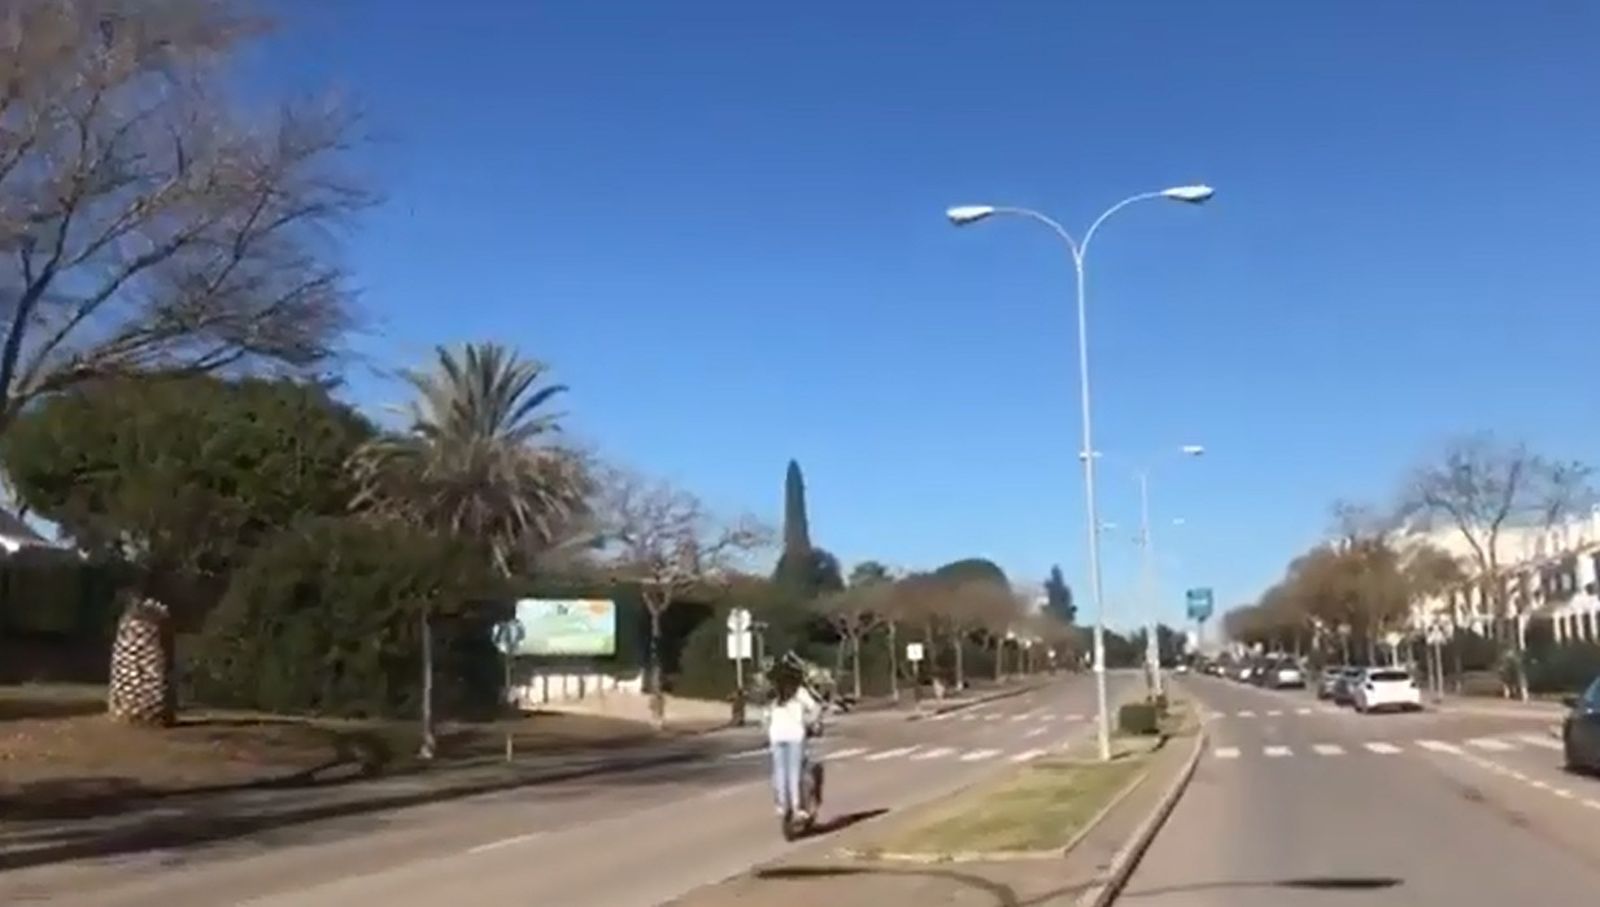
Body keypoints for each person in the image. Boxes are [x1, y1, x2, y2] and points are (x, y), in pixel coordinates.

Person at [764, 658, 820, 821]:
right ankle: (797, 808)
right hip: (795, 734)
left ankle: (782, 805)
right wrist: (809, 721)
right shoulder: (799, 692)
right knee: (795, 773)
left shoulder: (774, 694)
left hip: (776, 735)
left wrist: (769, 728)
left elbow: (765, 716)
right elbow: (816, 708)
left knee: (780, 771)